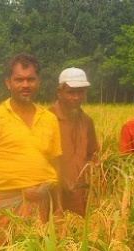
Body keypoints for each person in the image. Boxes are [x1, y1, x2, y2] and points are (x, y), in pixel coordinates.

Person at [0, 53, 61, 227]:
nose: (25, 85)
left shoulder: (49, 119)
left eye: (31, 79)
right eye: (19, 80)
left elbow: (56, 164)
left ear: (38, 82)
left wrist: (59, 207)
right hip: (4, 207)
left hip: (42, 204)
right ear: (8, 82)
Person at [50, 67, 99, 216]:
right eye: (71, 92)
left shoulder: (87, 121)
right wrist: (60, 179)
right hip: (54, 198)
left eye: (81, 92)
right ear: (60, 92)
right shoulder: (46, 119)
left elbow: (92, 155)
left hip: (82, 198)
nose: (76, 97)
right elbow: (38, 160)